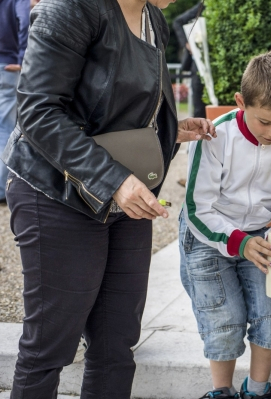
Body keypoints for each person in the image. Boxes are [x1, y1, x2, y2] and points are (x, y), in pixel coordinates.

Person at [1, 0, 216, 397]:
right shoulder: (69, 8)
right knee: (50, 345)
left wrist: (171, 128)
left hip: (121, 195)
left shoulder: (154, 18)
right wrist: (115, 180)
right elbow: (37, 111)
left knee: (116, 343)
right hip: (54, 192)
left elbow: (121, 106)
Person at [180, 51, 271, 399]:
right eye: (265, 121)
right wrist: (237, 241)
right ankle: (220, 392)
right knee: (223, 318)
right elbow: (198, 208)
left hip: (261, 236)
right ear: (241, 102)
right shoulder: (216, 138)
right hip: (207, 236)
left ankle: (257, 390)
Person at [0, 0, 29, 206]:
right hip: (8, 66)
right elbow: (25, 21)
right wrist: (23, 58)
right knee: (6, 128)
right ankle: (1, 189)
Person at [173, 2, 207, 119]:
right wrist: (187, 44)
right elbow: (178, 22)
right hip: (197, 64)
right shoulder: (204, 6)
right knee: (199, 107)